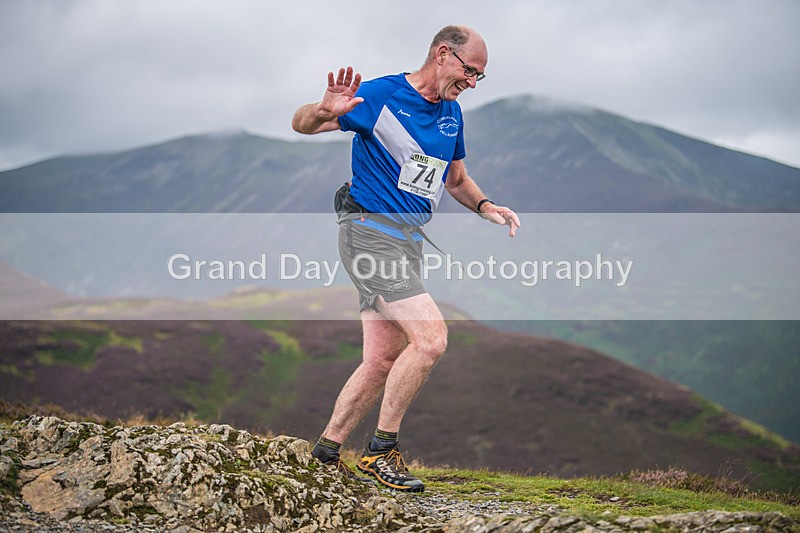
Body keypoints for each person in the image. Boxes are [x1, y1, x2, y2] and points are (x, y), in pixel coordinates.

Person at [291, 25, 520, 492]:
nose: (472, 84)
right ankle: (381, 453)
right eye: (469, 71)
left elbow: (455, 180)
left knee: (381, 359)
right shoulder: (380, 95)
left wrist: (486, 205)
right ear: (442, 54)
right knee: (432, 338)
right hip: (368, 233)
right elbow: (301, 125)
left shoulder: (451, 115)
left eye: (481, 77)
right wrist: (321, 110)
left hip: (407, 243)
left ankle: (326, 452)